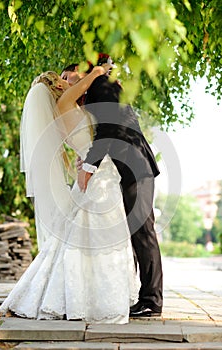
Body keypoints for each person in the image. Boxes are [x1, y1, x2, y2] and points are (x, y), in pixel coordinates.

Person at [0, 66, 139, 323]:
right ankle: (93, 301)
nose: (67, 82)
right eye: (62, 79)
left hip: (95, 169)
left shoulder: (60, 112)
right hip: (99, 174)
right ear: (56, 87)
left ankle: (82, 297)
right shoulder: (65, 102)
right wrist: (97, 71)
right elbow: (85, 99)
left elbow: (83, 141)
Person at [61, 54, 163, 317]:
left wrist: (89, 167)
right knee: (137, 232)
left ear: (79, 71)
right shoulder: (97, 87)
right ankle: (146, 297)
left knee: (143, 232)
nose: (64, 82)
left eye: (66, 76)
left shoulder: (99, 86)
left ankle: (152, 300)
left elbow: (110, 129)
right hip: (131, 166)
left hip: (135, 164)